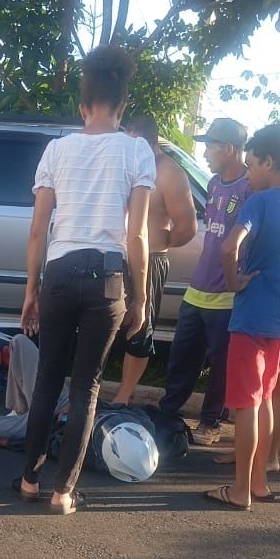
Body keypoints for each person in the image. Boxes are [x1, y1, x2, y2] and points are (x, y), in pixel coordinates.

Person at [18, 46, 155, 515]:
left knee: (47, 381)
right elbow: (136, 233)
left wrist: (30, 291)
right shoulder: (137, 151)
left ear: (83, 104)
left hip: (57, 271)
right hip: (107, 278)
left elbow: (39, 229)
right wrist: (141, 297)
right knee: (86, 386)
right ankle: (63, 492)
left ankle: (29, 480)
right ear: (122, 105)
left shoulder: (56, 149)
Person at [205, 123, 280, 510]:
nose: (248, 173)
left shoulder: (259, 201)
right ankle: (260, 481)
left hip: (252, 317)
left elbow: (229, 246)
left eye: (251, 164)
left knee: (245, 403)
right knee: (265, 398)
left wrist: (233, 282)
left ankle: (239, 490)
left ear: (268, 160)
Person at [158, 118, 250, 445]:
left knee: (220, 365)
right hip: (197, 290)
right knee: (182, 357)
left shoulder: (250, 187)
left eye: (210, 146)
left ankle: (211, 421)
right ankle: (168, 411)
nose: (206, 152)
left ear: (228, 148)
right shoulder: (212, 183)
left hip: (227, 296)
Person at [112, 115, 197, 404]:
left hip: (150, 258)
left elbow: (187, 226)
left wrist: (159, 243)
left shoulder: (169, 173)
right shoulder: (127, 164)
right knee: (105, 324)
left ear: (150, 143)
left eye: (135, 145)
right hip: (114, 257)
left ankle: (123, 396)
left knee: (139, 330)